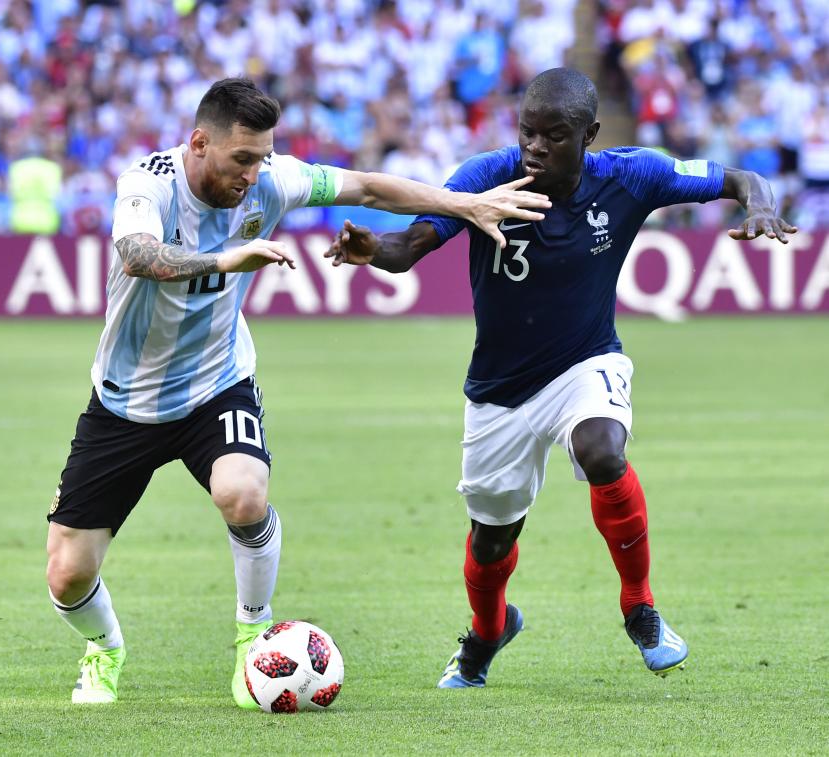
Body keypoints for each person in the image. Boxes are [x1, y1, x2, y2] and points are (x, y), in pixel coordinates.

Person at [45, 77, 550, 707]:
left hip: (216, 384)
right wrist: (230, 260)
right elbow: (138, 255)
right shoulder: (147, 184)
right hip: (125, 402)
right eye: (242, 159)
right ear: (199, 143)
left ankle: (254, 639)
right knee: (68, 574)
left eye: (263, 158)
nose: (256, 175)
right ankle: (105, 649)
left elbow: (367, 186)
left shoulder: (273, 178)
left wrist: (461, 205)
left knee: (243, 492)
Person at [326, 67, 797, 688]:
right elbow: (411, 245)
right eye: (527, 132)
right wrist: (371, 250)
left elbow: (737, 177)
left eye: (553, 135)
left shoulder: (633, 174)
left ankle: (641, 608)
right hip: (498, 390)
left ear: (590, 135)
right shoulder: (487, 177)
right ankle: (489, 632)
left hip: (586, 360)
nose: (535, 148)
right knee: (492, 542)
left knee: (603, 452)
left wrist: (759, 202)